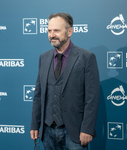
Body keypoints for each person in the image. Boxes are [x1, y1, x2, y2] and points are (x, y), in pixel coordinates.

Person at [30, 13, 100, 150]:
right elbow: (38, 95)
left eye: (56, 30)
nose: (52, 35)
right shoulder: (43, 58)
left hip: (74, 133)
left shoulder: (86, 58)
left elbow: (92, 98)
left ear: (69, 31)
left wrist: (87, 129)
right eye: (49, 31)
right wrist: (34, 124)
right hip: (47, 131)